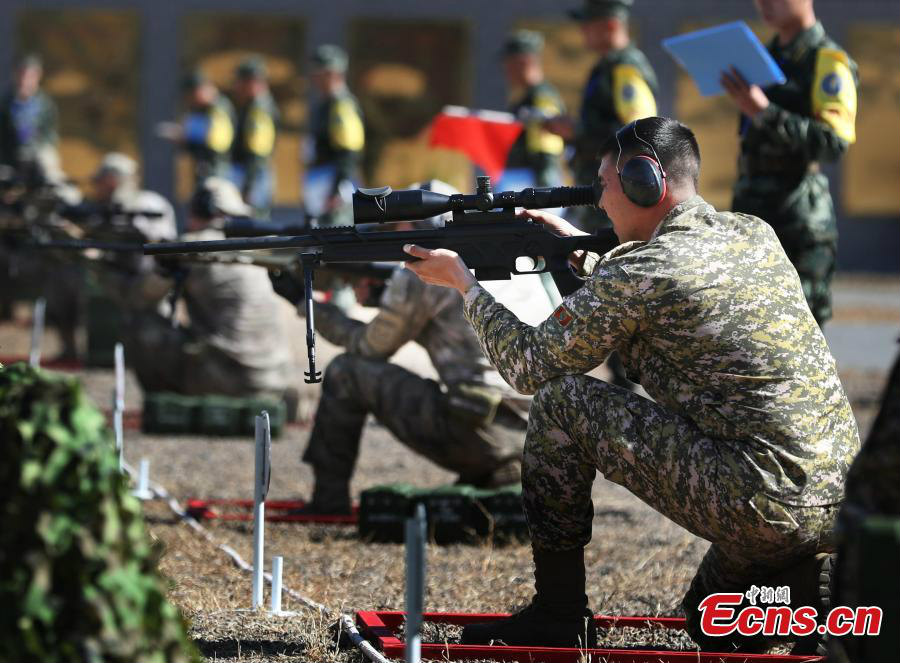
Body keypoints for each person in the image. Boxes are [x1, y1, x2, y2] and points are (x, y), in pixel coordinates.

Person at [403, 117, 859, 654]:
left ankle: (558, 610)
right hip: (837, 499)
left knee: (561, 402)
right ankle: (814, 586)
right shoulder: (752, 233)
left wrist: (465, 286)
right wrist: (575, 249)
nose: (599, 201)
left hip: (759, 499)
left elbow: (529, 367)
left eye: (604, 184)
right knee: (711, 621)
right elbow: (656, 285)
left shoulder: (642, 272)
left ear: (646, 181)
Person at [270, 180, 525, 515]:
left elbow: (370, 348)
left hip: (478, 430)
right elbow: (458, 327)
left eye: (394, 226)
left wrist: (304, 302)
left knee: (347, 372)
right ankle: (497, 469)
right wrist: (385, 300)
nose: (388, 236)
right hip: (530, 434)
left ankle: (328, 499)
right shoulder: (502, 254)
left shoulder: (426, 270)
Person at [722, 0, 857, 327]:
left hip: (797, 222)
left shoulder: (827, 60)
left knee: (798, 336)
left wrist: (765, 111)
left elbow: (833, 144)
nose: (765, 3)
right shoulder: (763, 58)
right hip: (752, 216)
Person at [134, 177, 295, 401]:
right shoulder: (261, 245)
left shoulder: (195, 245)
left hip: (227, 379)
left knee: (143, 324)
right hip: (275, 381)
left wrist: (163, 263)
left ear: (201, 209)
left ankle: (164, 406)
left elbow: (144, 297)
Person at [546, 0, 657, 234]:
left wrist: (577, 132)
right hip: (600, 191)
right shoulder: (606, 67)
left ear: (609, 25)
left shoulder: (624, 67)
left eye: (588, 24)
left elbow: (638, 133)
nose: (582, 30)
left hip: (615, 195)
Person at [305, 44, 364, 228]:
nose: (316, 79)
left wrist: (335, 191)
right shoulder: (325, 103)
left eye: (322, 73)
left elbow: (349, 151)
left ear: (336, 74)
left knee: (335, 237)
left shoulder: (342, 104)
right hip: (321, 183)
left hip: (334, 185)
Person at [500, 30, 566, 190]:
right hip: (523, 179)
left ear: (525, 61)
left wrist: (544, 188)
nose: (506, 70)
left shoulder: (541, 95)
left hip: (531, 182)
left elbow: (547, 146)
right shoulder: (526, 97)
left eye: (510, 63)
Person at [158, 71, 235, 185]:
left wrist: (185, 137)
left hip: (218, 173)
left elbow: (218, 144)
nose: (190, 100)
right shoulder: (198, 109)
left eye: (192, 95)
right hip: (203, 169)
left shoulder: (219, 108)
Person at [0, 53, 62, 187]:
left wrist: (37, 147)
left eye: (29, 76)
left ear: (38, 76)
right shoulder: (5, 104)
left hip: (38, 154)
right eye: (21, 75)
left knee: (50, 169)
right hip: (11, 156)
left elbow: (50, 135)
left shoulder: (46, 105)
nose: (24, 81)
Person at [229, 57, 278, 216]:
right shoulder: (251, 105)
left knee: (254, 225)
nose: (237, 86)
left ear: (253, 82)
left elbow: (258, 152)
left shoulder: (260, 108)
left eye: (241, 81)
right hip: (252, 174)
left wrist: (247, 187)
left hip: (254, 176)